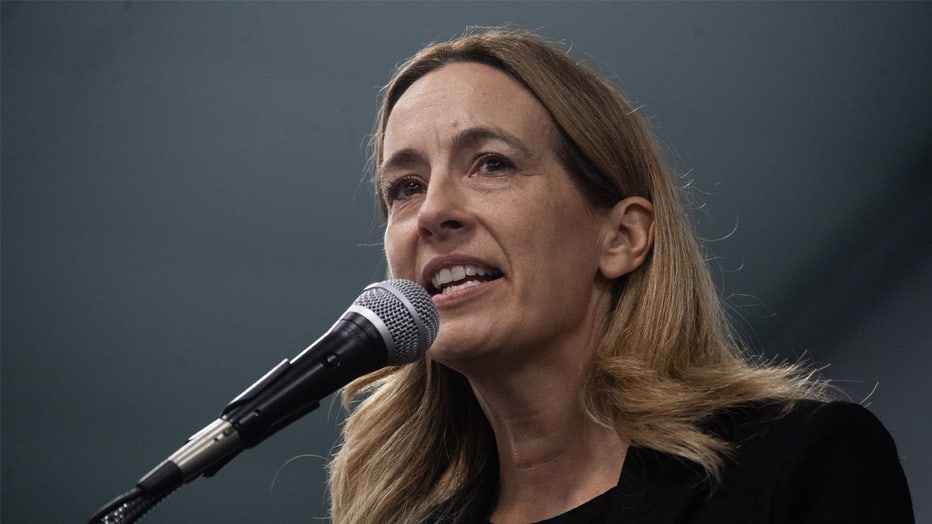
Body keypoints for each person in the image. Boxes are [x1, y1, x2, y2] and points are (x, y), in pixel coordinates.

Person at [327, 28, 914, 523]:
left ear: (621, 238)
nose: (431, 212)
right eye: (405, 187)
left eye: (492, 164)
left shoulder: (797, 466)